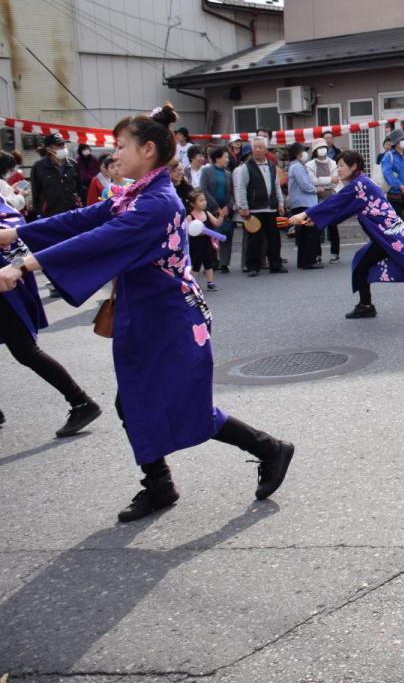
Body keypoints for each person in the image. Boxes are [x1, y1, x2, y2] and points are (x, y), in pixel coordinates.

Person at [0, 103, 294, 521]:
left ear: (149, 150)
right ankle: (159, 483)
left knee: (182, 404)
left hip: (171, 319)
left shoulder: (155, 204)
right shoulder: (136, 195)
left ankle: (267, 448)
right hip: (147, 314)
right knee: (132, 401)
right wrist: (14, 233)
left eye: (120, 146)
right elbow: (81, 219)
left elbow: (95, 241)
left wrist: (21, 265)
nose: (113, 154)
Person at [289, 150, 404, 323]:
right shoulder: (359, 185)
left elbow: (334, 202)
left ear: (354, 166)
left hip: (392, 236)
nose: (338, 170)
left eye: (341, 165)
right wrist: (316, 220)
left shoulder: (360, 184)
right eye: (337, 166)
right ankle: (366, 306)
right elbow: (343, 210)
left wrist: (304, 214)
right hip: (385, 237)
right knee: (361, 262)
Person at [0, 191, 102, 436]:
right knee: (25, 350)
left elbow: (19, 245)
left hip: (6, 288)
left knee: (25, 350)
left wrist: (15, 269)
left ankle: (81, 401)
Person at [234, 136, 287, 276]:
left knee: (274, 239)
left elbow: (276, 186)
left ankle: (276, 264)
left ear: (265, 149)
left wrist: (281, 203)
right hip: (254, 208)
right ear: (252, 149)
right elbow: (241, 188)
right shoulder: (246, 167)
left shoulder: (271, 166)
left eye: (261, 147)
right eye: (255, 147)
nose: (258, 149)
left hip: (271, 208)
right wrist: (243, 207)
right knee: (254, 239)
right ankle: (252, 266)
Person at [285, 143, 322, 269]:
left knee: (303, 233)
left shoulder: (296, 166)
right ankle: (309, 260)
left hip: (300, 204)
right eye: (302, 151)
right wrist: (316, 189)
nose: (305, 153)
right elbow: (305, 185)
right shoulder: (297, 167)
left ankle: (303, 260)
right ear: (297, 153)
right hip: (304, 204)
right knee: (310, 233)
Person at [199, 146, 235, 273]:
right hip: (211, 209)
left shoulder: (228, 173)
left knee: (226, 234)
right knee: (211, 235)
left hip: (225, 209)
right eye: (225, 157)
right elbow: (204, 189)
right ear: (218, 158)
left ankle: (225, 263)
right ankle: (212, 261)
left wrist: (228, 207)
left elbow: (231, 193)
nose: (228, 159)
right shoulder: (207, 171)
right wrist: (216, 207)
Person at [30, 133, 81, 222]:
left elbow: (79, 187)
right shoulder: (38, 167)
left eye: (63, 145)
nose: (63, 148)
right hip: (50, 215)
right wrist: (41, 211)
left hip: (71, 212)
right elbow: (36, 193)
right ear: (48, 149)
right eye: (58, 146)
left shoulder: (73, 164)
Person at [306, 143, 342, 262]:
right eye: (319, 148)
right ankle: (317, 254)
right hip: (316, 199)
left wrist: (324, 182)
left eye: (324, 148)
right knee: (317, 227)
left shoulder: (332, 162)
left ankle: (335, 253)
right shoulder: (309, 165)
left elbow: (336, 181)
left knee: (333, 226)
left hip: (331, 198)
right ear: (315, 150)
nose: (322, 150)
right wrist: (329, 180)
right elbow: (312, 181)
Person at [185, 189, 221, 291]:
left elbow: (217, 223)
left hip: (207, 242)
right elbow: (186, 232)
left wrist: (221, 215)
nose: (204, 202)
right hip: (195, 244)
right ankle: (194, 284)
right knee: (196, 264)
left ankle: (210, 282)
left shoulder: (207, 213)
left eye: (204, 200)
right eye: (201, 200)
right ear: (192, 204)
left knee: (208, 262)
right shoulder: (190, 217)